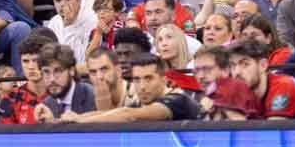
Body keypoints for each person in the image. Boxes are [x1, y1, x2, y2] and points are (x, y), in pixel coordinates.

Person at [62, 54, 201, 123]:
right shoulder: (143, 104)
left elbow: (127, 114)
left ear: (163, 79)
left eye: (148, 78)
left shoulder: (177, 100)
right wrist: (74, 118)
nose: (142, 86)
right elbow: (113, 113)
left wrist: (80, 121)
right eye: (137, 79)